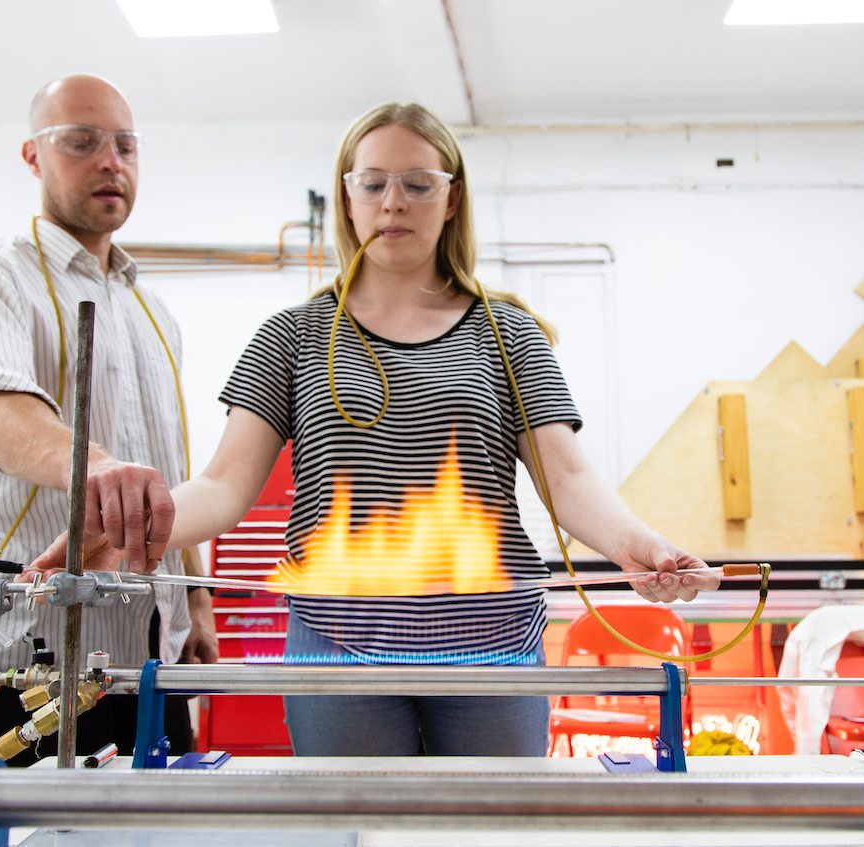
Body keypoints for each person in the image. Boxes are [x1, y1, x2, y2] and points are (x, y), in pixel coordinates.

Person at [35, 102, 719, 757]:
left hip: (490, 648)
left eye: (418, 184)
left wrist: (638, 543)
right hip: (337, 649)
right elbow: (222, 486)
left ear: (451, 199)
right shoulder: (293, 337)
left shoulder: (508, 335)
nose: (394, 202)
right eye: (374, 183)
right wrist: (128, 523)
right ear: (348, 197)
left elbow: (567, 477)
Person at [0, 74, 217, 765]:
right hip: (22, 653)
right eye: (81, 142)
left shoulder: (153, 313)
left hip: (149, 654)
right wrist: (99, 470)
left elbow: (167, 478)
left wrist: (194, 604)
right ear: (33, 156)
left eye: (125, 145)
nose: (109, 161)